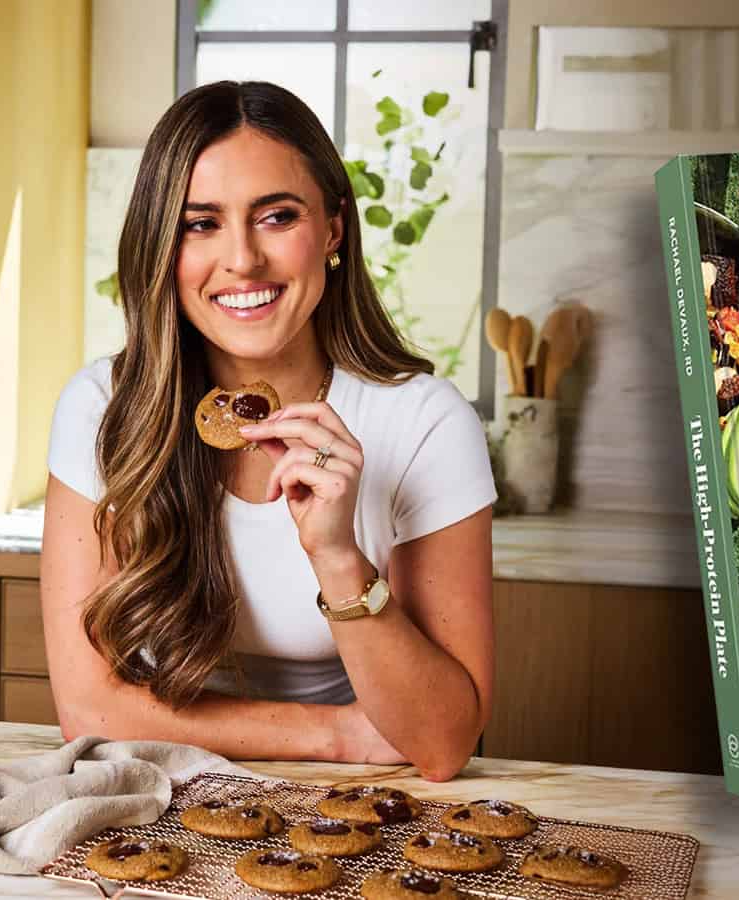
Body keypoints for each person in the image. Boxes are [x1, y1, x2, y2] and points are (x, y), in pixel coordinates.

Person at [40, 81, 495, 781]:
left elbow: (439, 742)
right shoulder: (102, 408)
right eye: (201, 224)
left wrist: (338, 555)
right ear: (162, 244)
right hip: (164, 796)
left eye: (277, 217)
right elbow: (89, 713)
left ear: (334, 228)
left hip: (371, 809)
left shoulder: (426, 424)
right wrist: (341, 736)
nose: (243, 259)